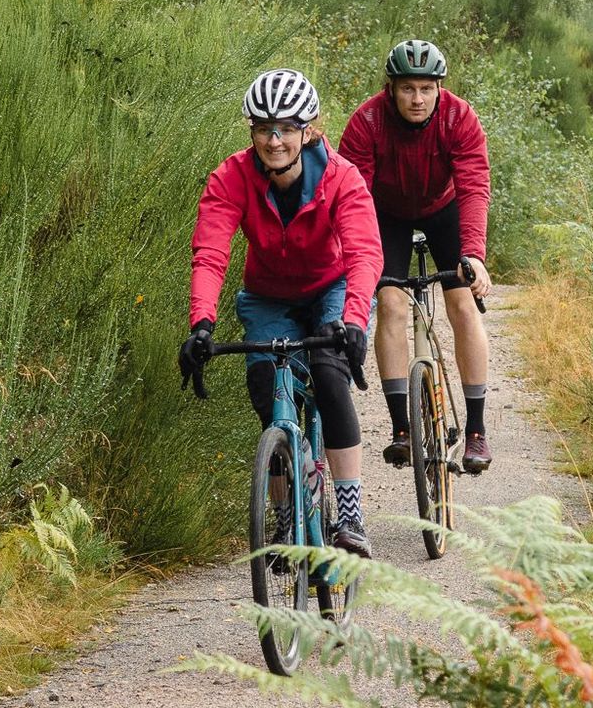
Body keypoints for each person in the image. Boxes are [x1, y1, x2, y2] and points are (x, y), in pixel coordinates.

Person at [177, 69, 383, 557]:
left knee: (331, 378)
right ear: (251, 130)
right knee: (267, 387)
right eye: (264, 128)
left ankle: (351, 517)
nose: (274, 140)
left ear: (308, 130)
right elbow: (210, 253)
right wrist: (201, 324)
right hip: (268, 296)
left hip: (331, 289)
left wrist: (353, 321)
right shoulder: (230, 178)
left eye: (287, 128)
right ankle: (285, 513)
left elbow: (364, 254)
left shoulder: (341, 177)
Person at [338, 39, 496, 473]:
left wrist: (473, 255)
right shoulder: (367, 121)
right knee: (388, 300)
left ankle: (477, 431)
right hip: (385, 214)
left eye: (426, 89)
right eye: (407, 88)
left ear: (440, 88)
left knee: (462, 302)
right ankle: (401, 430)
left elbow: (474, 188)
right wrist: (360, 260)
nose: (417, 98)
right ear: (390, 88)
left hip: (444, 209)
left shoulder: (460, 118)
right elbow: (354, 197)